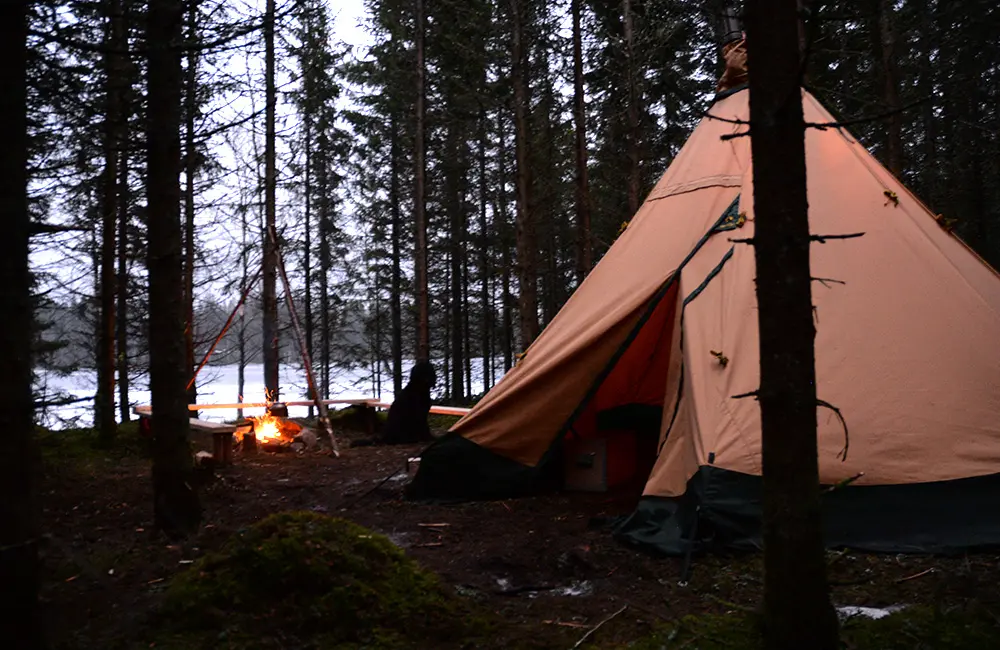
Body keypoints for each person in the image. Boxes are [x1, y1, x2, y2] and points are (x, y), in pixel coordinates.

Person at [381, 360, 436, 444]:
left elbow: (421, 417)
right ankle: (419, 436)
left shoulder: (417, 392)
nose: (427, 379)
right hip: (399, 433)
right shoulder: (412, 394)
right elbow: (418, 418)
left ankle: (422, 436)